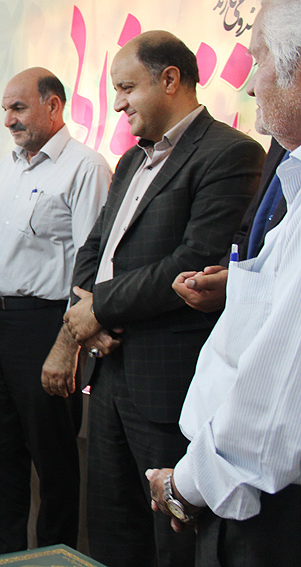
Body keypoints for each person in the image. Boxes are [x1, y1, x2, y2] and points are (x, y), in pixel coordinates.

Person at [42, 31, 264, 567]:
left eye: (126, 88)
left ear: (169, 79)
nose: (117, 103)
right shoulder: (128, 162)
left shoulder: (230, 153)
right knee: (112, 528)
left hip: (168, 384)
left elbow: (193, 261)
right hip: (109, 374)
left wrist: (100, 308)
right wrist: (86, 315)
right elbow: (95, 247)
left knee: (172, 542)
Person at [146, 2, 301, 564]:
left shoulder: (228, 152)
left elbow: (275, 405)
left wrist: (186, 487)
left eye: (259, 60)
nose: (251, 83)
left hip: (258, 502)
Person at [0, 68, 110, 562]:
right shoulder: (9, 167)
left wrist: (69, 346)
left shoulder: (85, 168)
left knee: (53, 459)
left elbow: (93, 263)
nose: (8, 120)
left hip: (48, 327)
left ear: (53, 106)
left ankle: (52, 556)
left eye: (18, 108)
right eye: (6, 109)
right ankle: (1, 548)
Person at [172, 138, 287, 312]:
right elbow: (253, 226)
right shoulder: (281, 143)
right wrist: (229, 276)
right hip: (245, 312)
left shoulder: (234, 149)